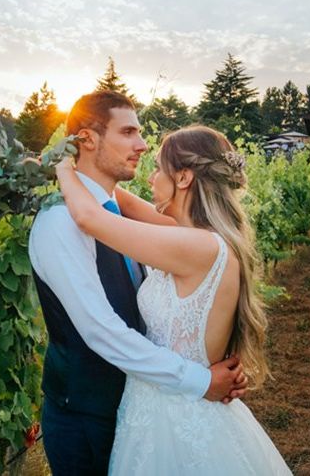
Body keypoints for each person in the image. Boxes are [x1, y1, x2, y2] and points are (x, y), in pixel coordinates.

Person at [28, 92, 249, 475]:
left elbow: (99, 214)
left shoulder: (139, 224)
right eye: (129, 131)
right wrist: (199, 378)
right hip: (86, 416)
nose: (142, 146)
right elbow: (101, 330)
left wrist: (68, 171)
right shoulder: (59, 222)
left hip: (149, 409)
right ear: (87, 139)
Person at [55, 124, 292, 475]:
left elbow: (90, 217)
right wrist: (90, 159)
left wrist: (59, 165)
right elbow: (115, 198)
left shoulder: (196, 246)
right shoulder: (197, 237)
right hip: (167, 404)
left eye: (158, 169)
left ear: (183, 179)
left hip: (177, 414)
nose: (150, 178)